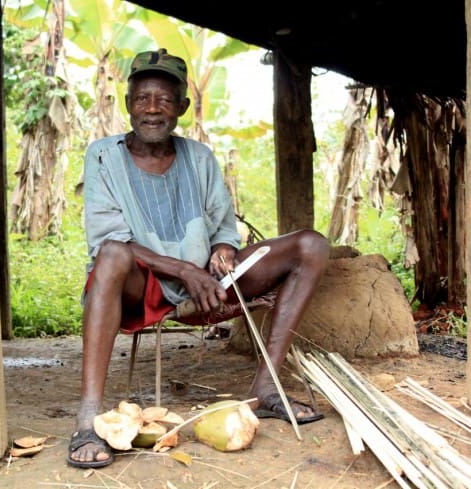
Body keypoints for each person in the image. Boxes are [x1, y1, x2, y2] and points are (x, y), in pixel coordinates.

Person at [68, 48, 330, 469]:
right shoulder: (103, 155)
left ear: (182, 108)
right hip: (144, 286)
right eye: (142, 99)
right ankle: (88, 418)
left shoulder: (200, 157)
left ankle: (266, 388)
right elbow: (108, 240)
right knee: (113, 254)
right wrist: (184, 270)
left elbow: (223, 226)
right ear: (128, 104)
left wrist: (222, 251)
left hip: (211, 286)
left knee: (310, 244)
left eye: (165, 100)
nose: (152, 110)